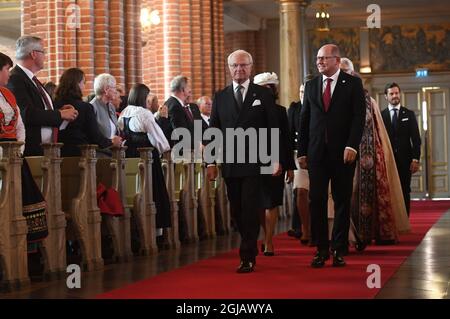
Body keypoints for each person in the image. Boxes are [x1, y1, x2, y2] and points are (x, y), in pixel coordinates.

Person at [205, 49, 281, 273]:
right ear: (229, 69)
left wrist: (276, 158)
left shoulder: (263, 95)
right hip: (230, 162)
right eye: (234, 66)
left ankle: (247, 255)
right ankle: (249, 241)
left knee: (249, 207)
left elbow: (273, 128)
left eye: (243, 65)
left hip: (255, 162)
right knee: (237, 209)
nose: (239, 69)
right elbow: (213, 131)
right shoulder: (221, 97)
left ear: (250, 67)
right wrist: (210, 162)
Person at [298, 44, 366, 268]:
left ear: (337, 60)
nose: (319, 62)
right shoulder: (311, 85)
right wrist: (302, 151)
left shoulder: (353, 84)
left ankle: (339, 249)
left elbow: (358, 118)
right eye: (317, 58)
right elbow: (305, 119)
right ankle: (321, 249)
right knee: (316, 200)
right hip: (317, 154)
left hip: (343, 153)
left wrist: (352, 146)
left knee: (342, 201)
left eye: (324, 58)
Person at [339, 58, 410, 249]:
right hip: (341, 156)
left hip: (367, 157)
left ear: (353, 73)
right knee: (346, 197)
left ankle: (366, 235)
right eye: (341, 71)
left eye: (347, 71)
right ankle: (347, 237)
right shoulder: (334, 97)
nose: (344, 74)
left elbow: (378, 131)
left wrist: (380, 157)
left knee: (364, 197)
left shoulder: (368, 101)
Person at [0, 51, 48, 275]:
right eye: (6, 70)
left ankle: (28, 253)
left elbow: (19, 124)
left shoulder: (8, 94)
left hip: (13, 154)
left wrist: (17, 149)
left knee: (26, 200)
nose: (8, 74)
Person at [7, 35, 78, 156]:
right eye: (43, 52)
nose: (45, 56)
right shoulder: (15, 79)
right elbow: (26, 113)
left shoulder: (32, 80)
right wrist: (59, 114)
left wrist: (59, 112)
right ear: (33, 54)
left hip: (45, 149)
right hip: (31, 149)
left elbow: (40, 109)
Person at [118, 83, 172, 232]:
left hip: (130, 156)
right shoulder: (144, 113)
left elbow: (122, 133)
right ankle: (153, 230)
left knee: (134, 190)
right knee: (152, 191)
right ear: (142, 97)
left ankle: (135, 229)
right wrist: (164, 148)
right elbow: (158, 138)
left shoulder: (124, 112)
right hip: (148, 156)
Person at [253, 72, 296, 256]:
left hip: (275, 160)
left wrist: (289, 166)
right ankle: (265, 235)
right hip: (254, 161)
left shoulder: (280, 111)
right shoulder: (250, 110)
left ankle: (269, 240)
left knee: (271, 202)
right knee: (259, 203)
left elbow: (286, 140)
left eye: (270, 88)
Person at [53, 68, 122, 157]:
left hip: (57, 153)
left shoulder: (54, 104)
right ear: (77, 84)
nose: (84, 86)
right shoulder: (85, 107)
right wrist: (111, 142)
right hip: (81, 154)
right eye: (83, 83)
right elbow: (95, 137)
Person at [381, 82, 421, 217]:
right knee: (388, 191)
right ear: (386, 96)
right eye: (391, 94)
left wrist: (416, 159)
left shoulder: (408, 114)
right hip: (386, 161)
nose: (395, 96)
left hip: (405, 161)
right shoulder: (381, 116)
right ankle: (391, 221)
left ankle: (404, 220)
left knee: (404, 190)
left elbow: (416, 139)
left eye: (396, 93)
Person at [289, 74, 314, 245]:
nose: (302, 94)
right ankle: (305, 229)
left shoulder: (320, 107)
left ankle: (318, 229)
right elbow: (289, 135)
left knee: (319, 195)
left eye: (305, 91)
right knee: (301, 191)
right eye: (300, 91)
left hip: (320, 154)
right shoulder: (295, 108)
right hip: (300, 155)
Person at [90, 73, 120, 157]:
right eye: (114, 88)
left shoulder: (111, 107)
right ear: (106, 89)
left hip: (113, 153)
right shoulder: (92, 107)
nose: (115, 91)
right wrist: (111, 142)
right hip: (98, 155)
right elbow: (93, 136)